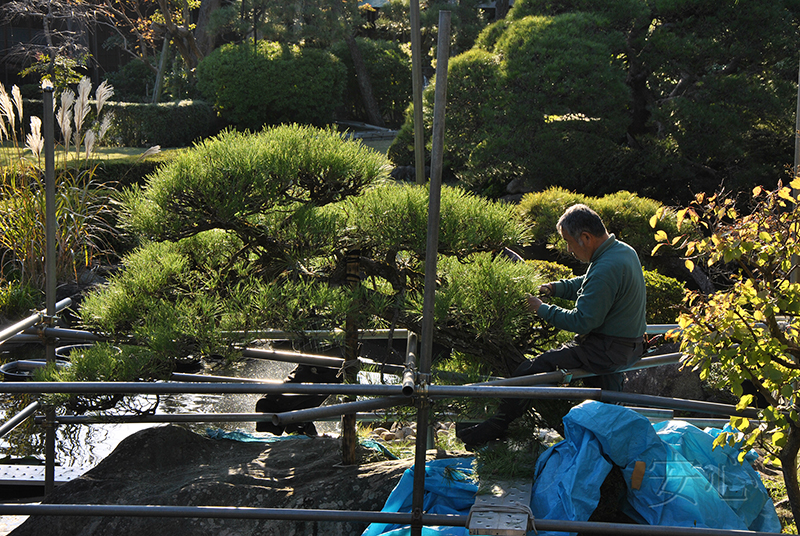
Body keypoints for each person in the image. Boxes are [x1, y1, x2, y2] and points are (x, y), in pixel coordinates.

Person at [457, 203, 647, 449]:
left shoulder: (606, 267)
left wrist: (540, 308)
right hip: (628, 346)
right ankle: (603, 446)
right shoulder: (621, 252)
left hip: (606, 349)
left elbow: (582, 320)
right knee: (605, 405)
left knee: (533, 369)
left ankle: (497, 425)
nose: (568, 249)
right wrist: (555, 288)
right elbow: (588, 282)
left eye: (568, 242)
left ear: (586, 238)